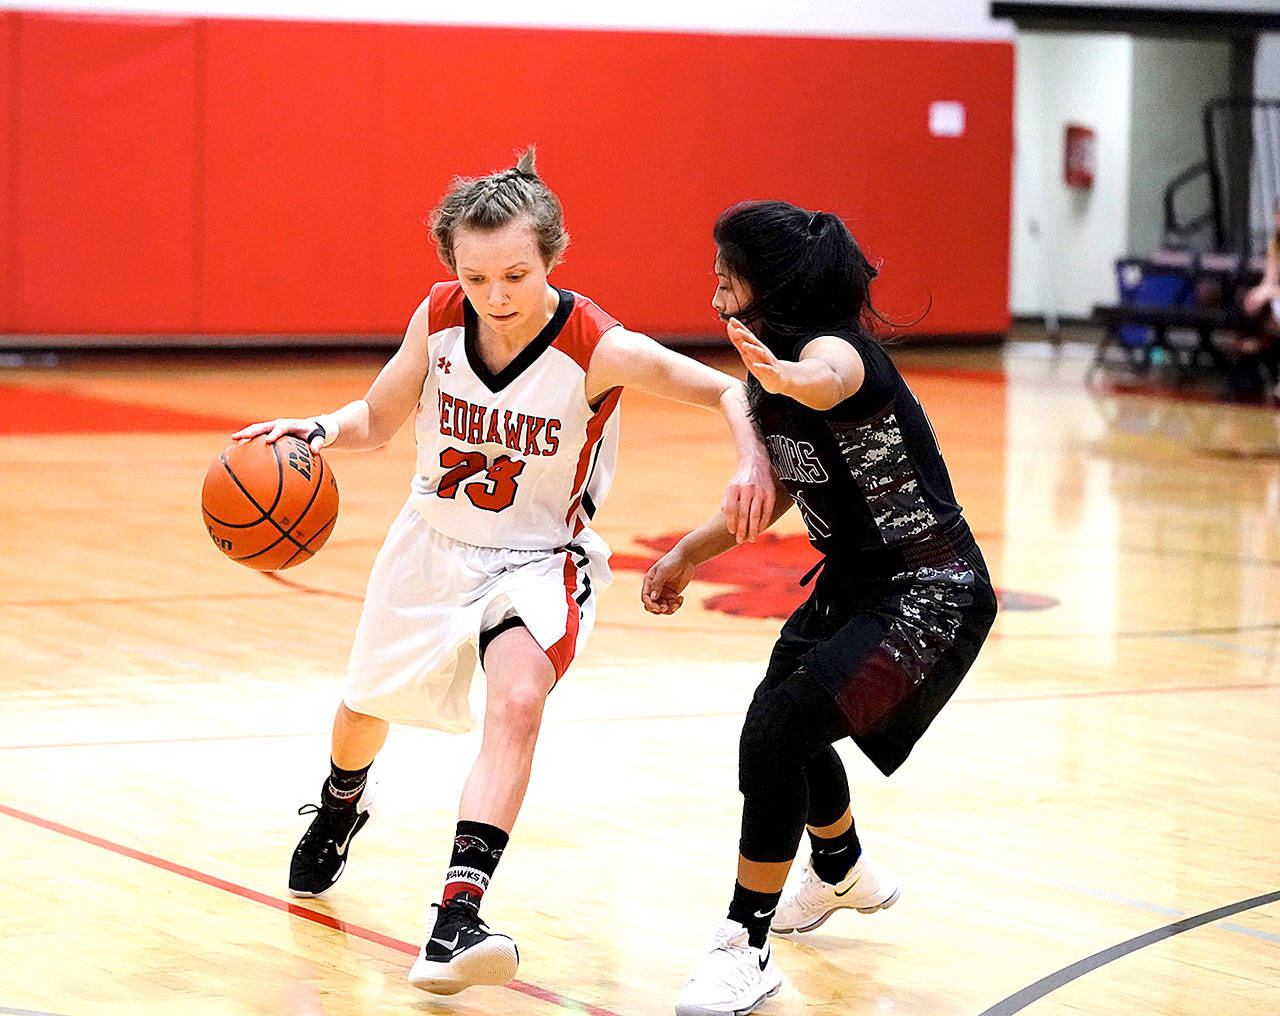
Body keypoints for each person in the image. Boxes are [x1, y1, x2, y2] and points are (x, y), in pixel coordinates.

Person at [232, 149, 774, 997]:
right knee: (363, 709)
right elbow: (379, 415)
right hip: (431, 544)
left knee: (517, 700)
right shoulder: (440, 317)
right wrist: (318, 431)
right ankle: (342, 802)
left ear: (553, 257)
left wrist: (750, 462)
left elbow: (734, 391)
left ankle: (457, 916)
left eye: (515, 274)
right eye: (476, 275)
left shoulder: (598, 342)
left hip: (536, 560)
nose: (495, 295)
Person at [641, 201, 998, 1016]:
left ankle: (744, 947)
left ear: (764, 280)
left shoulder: (832, 350)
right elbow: (774, 492)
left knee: (776, 733)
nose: (714, 282)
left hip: (927, 591)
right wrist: (686, 555)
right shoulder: (766, 375)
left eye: (724, 267)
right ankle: (840, 869)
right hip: (853, 582)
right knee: (781, 722)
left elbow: (826, 379)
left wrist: (784, 378)